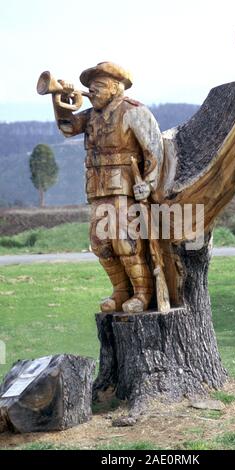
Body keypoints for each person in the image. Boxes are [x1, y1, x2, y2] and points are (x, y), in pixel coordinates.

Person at [52, 62, 164, 313]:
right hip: (97, 186)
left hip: (124, 185)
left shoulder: (133, 111)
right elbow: (67, 127)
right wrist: (60, 99)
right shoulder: (92, 115)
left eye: (99, 86)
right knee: (100, 243)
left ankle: (142, 294)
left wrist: (149, 182)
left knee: (125, 242)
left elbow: (154, 148)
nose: (93, 91)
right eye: (91, 87)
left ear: (115, 88)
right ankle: (120, 291)